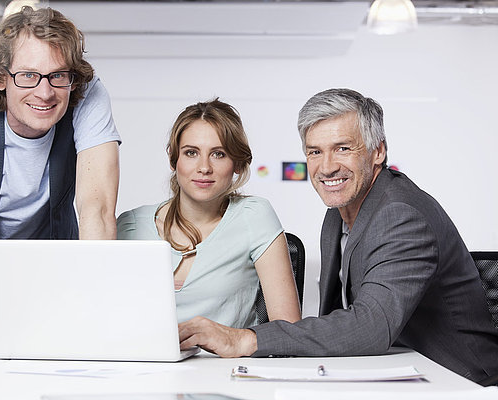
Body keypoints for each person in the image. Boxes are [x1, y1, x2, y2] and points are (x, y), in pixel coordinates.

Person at [178, 89, 498, 383]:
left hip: (458, 379)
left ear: (378, 152)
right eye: (315, 152)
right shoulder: (339, 212)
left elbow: (371, 326)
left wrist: (245, 339)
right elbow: (337, 320)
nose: (327, 167)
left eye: (342, 148)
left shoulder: (401, 215)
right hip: (390, 372)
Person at [0, 7, 121, 345]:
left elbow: (97, 208)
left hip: (52, 257)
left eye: (59, 75)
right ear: (1, 76)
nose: (45, 93)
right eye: (28, 76)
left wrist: (94, 305)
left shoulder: (87, 94)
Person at [117, 99, 301, 328]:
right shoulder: (131, 225)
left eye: (219, 154)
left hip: (226, 362)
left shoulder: (254, 217)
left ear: (237, 164)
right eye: (191, 153)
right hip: (147, 362)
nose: (204, 167)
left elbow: (288, 330)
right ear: (174, 160)